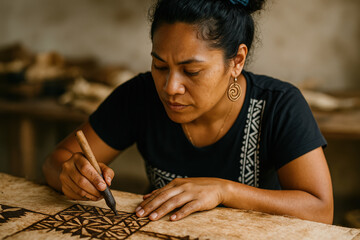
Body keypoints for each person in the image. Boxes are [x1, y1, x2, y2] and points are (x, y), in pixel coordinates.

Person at [43, 0, 334, 224]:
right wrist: (72, 176)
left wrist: (223, 191)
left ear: (237, 61)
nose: (170, 87)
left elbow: (321, 210)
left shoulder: (280, 106)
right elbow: (56, 162)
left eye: (191, 71)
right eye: (159, 66)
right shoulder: (140, 96)